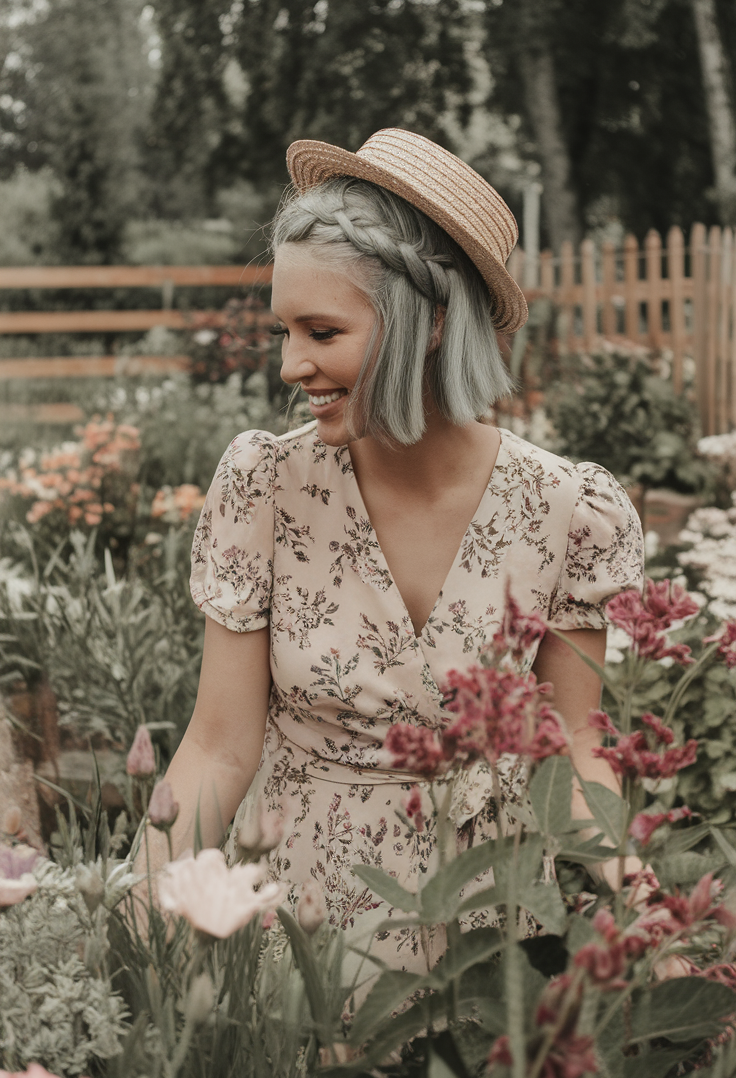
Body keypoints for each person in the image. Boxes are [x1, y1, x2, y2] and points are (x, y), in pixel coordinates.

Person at [157, 128, 644, 965]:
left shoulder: (571, 510)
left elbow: (576, 751)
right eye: (284, 333)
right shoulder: (265, 486)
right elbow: (218, 745)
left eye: (321, 331)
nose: (290, 365)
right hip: (296, 937)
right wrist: (146, 920)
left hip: (494, 941)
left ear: (429, 323)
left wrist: (642, 896)